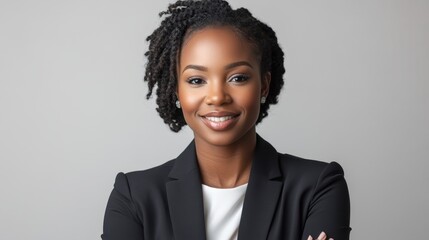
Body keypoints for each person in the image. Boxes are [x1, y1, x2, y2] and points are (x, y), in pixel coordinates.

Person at [101, 0, 351, 239]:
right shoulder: (134, 197)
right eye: (196, 80)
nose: (217, 97)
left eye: (238, 78)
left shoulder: (318, 187)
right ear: (177, 91)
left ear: (264, 86)